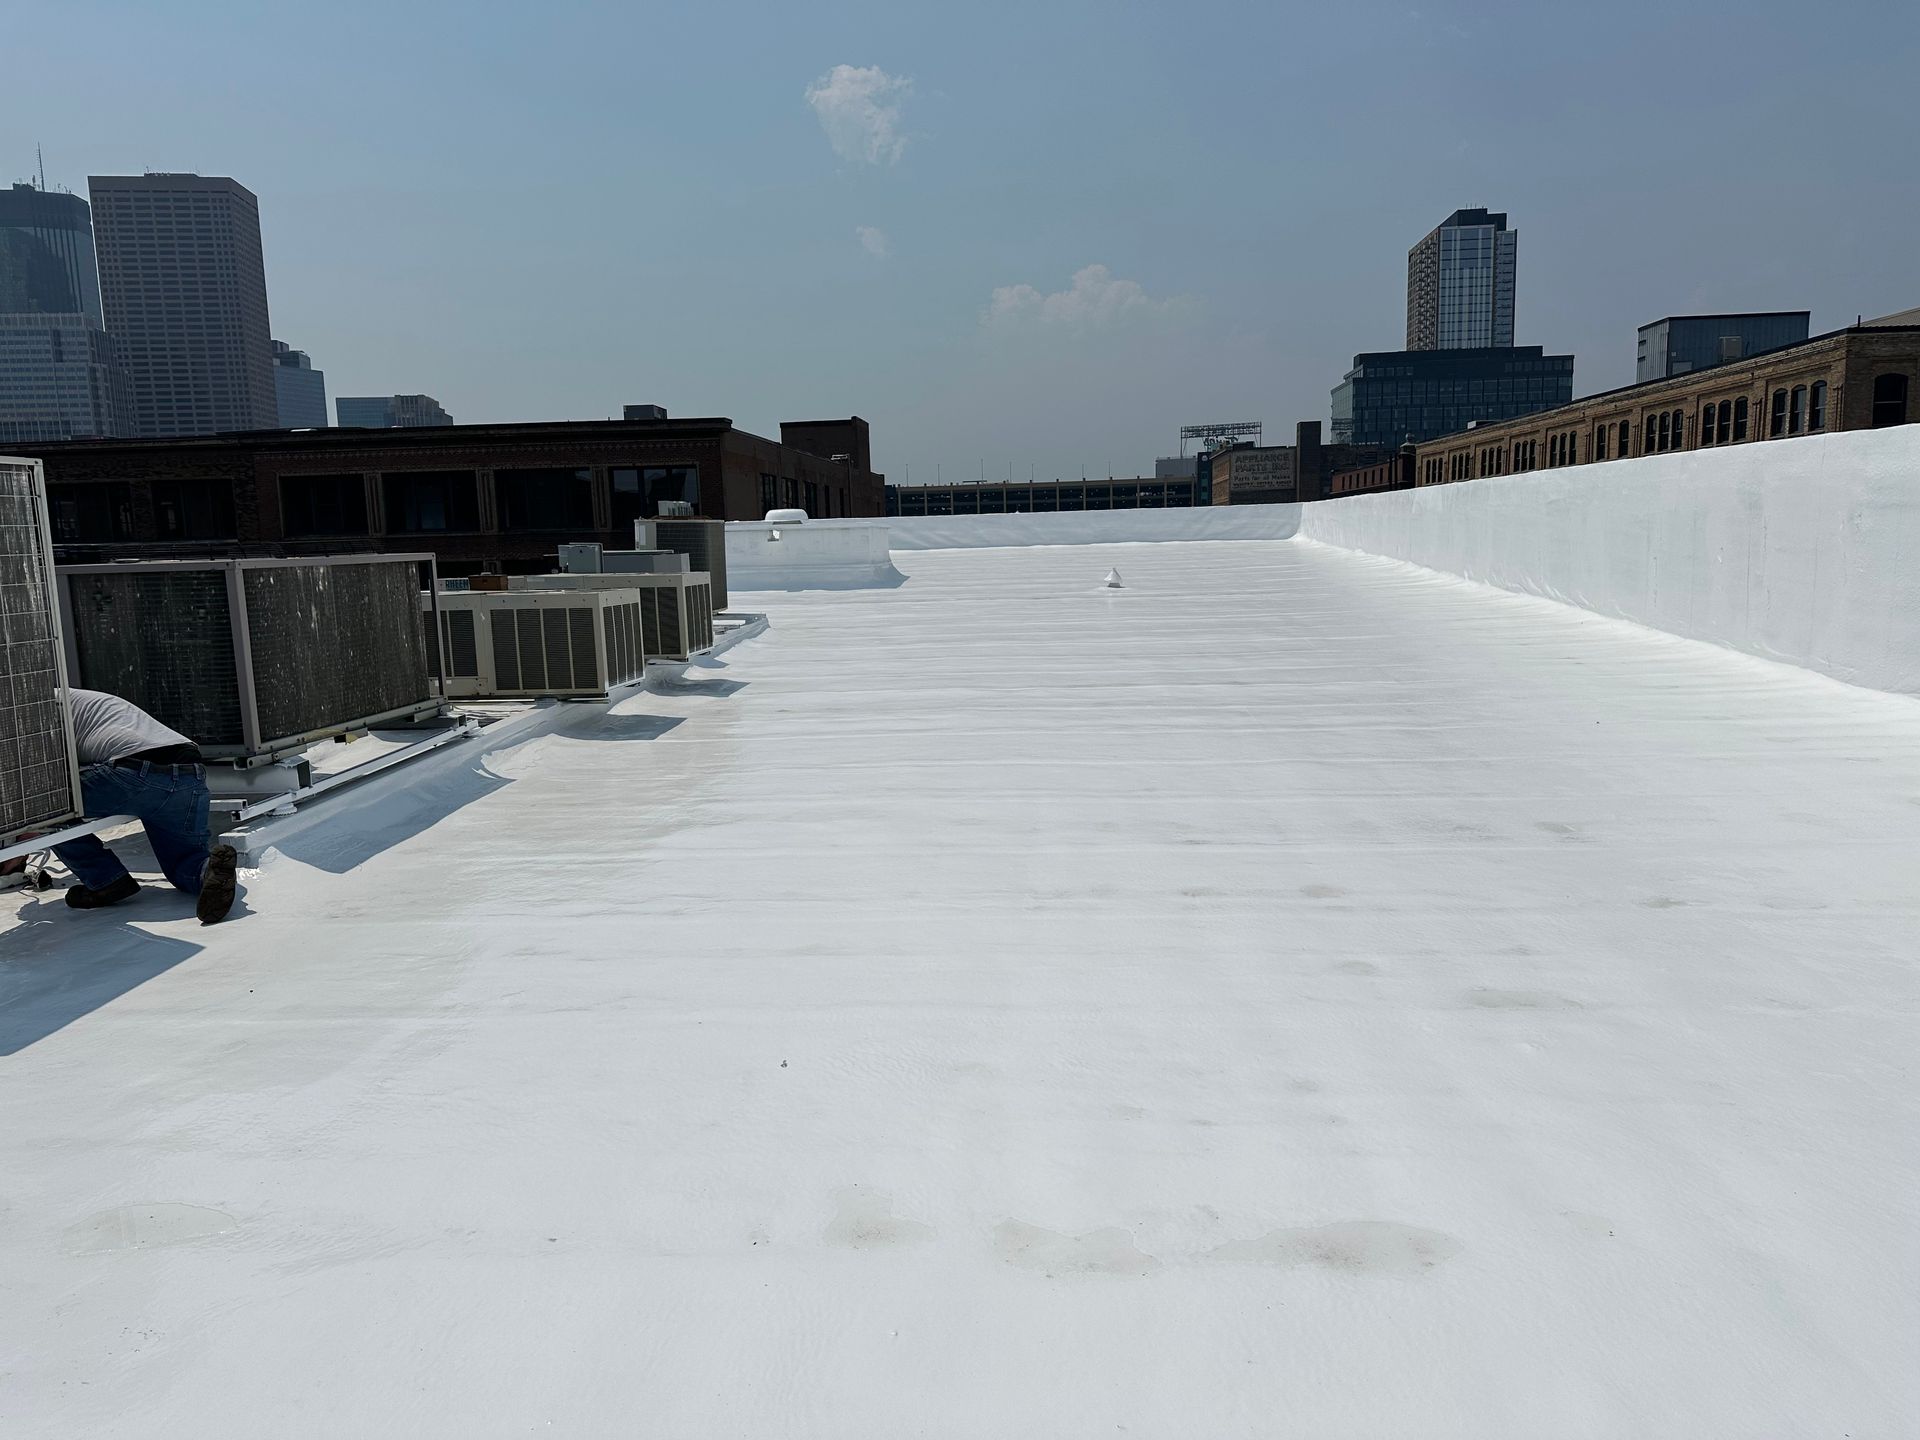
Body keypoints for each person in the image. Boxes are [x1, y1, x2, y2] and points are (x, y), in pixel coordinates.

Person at [51, 689, 238, 925]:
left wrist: (19, 834)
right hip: (190, 774)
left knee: (44, 809)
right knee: (184, 862)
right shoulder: (70, 698)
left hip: (133, 773)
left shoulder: (31, 708)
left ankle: (106, 880)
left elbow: (34, 787)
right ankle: (207, 869)